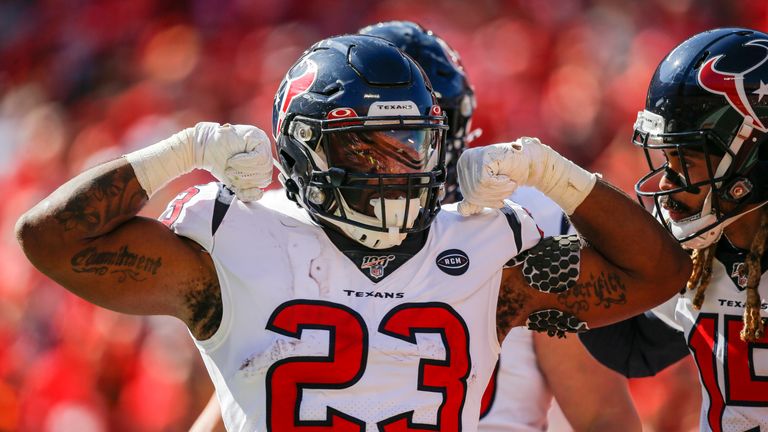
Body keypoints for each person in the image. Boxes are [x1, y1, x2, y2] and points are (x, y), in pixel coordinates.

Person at [16, 33, 689, 431]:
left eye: (410, 146)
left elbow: (658, 275)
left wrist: (552, 171)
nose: (394, 171)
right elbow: (50, 241)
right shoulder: (236, 235)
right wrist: (178, 153)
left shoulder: (491, 244)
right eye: (366, 150)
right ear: (306, 153)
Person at [359, 21, 641, 432]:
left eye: (411, 136)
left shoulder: (525, 225)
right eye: (371, 139)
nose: (396, 156)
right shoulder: (296, 230)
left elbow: (604, 416)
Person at [579, 27, 768, 432]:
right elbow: (635, 348)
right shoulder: (706, 252)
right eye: (666, 160)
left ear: (756, 161)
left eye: (687, 161)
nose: (667, 182)